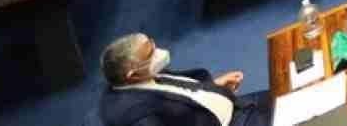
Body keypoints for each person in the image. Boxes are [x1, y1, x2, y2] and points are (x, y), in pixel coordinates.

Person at [98, 32, 269, 126]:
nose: (160, 54)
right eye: (151, 55)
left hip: (236, 106)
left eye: (153, 46)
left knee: (289, 94)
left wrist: (214, 86)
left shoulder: (142, 75)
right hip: (234, 122)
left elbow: (179, 92)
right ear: (132, 75)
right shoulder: (139, 118)